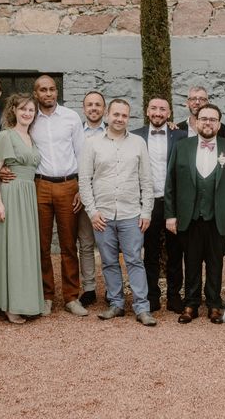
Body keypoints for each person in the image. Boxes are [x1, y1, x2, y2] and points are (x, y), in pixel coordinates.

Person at [79, 99, 156, 326]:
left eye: (124, 115)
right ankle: (116, 304)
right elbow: (84, 181)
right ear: (107, 115)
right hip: (102, 215)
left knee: (134, 260)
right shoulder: (92, 144)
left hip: (131, 213)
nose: (120, 119)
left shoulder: (138, 143)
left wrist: (146, 212)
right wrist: (92, 212)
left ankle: (142, 308)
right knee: (109, 261)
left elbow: (147, 180)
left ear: (128, 118)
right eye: (116, 114)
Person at [18, 75, 88, 318]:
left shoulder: (70, 117)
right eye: (42, 90)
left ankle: (71, 297)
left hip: (69, 185)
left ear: (56, 92)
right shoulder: (29, 118)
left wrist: (82, 187)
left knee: (69, 245)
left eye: (51, 89)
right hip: (40, 185)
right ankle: (46, 296)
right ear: (35, 93)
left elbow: (82, 153)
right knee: (42, 245)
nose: (47, 93)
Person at [165, 104, 225, 325]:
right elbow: (171, 182)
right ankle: (191, 304)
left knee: (216, 262)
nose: (208, 123)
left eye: (213, 119)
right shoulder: (182, 146)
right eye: (204, 119)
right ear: (196, 122)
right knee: (192, 261)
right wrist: (171, 215)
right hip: (190, 216)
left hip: (219, 217)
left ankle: (214, 304)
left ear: (219, 124)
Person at [0, 93, 43, 324]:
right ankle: (10, 305)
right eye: (23, 109)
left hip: (28, 195)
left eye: (31, 110)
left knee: (26, 250)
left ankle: (28, 302)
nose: (27, 113)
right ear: (13, 111)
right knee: (12, 249)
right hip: (10, 195)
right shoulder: (6, 136)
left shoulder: (31, 137)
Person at [132, 97, 187, 313]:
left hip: (172, 202)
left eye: (162, 109)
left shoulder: (180, 136)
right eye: (154, 108)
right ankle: (152, 296)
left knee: (176, 252)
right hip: (146, 203)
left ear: (169, 112)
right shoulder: (135, 136)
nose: (158, 112)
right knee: (150, 251)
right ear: (147, 111)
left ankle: (174, 296)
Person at [77, 90, 107, 307]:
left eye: (98, 104)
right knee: (86, 244)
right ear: (84, 108)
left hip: (107, 196)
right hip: (82, 195)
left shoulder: (115, 132)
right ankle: (89, 288)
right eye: (90, 104)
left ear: (104, 109)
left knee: (108, 245)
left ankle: (110, 288)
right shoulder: (76, 133)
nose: (94, 108)